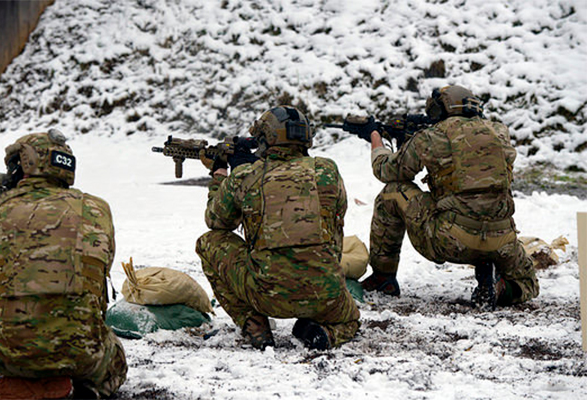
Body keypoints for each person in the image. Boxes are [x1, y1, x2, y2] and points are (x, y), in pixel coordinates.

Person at [0, 130, 127, 399]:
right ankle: (81, 386)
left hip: (4, 353)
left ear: (25, 165)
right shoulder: (98, 209)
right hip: (83, 353)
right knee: (115, 360)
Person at [195, 106, 360, 351]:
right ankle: (324, 334)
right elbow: (336, 217)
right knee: (350, 321)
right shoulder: (327, 170)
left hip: (266, 296)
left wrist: (222, 175)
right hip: (326, 295)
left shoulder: (247, 176)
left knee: (208, 242)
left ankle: (254, 324)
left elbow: (216, 221)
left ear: (265, 138)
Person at [361, 85, 539, 309]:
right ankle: (501, 288)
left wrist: (376, 139)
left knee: (393, 192)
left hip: (451, 241)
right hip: (502, 241)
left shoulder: (431, 136)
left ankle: (383, 278)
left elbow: (386, 170)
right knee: (528, 283)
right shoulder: (499, 132)